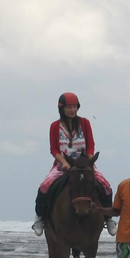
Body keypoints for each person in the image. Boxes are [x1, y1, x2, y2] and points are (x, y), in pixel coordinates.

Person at [32, 92, 114, 236]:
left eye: (75, 107)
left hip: (84, 163)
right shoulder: (55, 126)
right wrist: (64, 162)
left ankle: (109, 218)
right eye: (69, 107)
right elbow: (54, 149)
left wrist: (89, 160)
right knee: (44, 186)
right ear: (62, 109)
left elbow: (90, 145)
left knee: (105, 186)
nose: (72, 110)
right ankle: (40, 218)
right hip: (63, 164)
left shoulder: (85, 123)